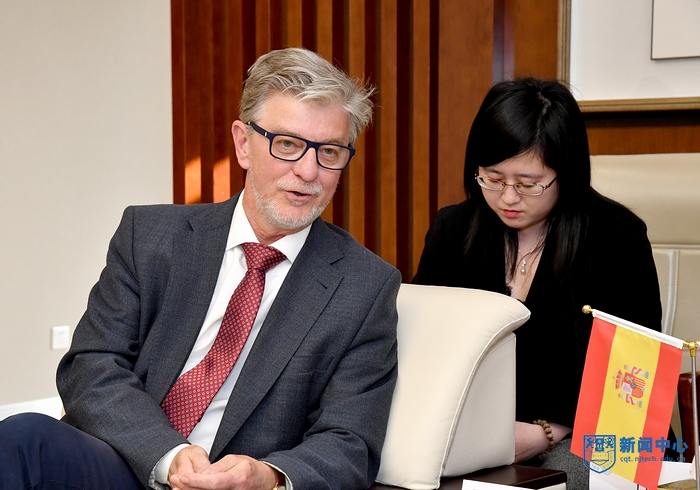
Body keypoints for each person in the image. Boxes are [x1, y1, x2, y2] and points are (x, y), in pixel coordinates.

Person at [0, 47, 401, 490]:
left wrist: (268, 476)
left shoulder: (365, 286)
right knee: (24, 437)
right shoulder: (149, 236)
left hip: (236, 486)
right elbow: (91, 366)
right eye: (287, 144)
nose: (309, 171)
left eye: (330, 151)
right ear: (243, 144)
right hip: (126, 463)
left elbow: (349, 441)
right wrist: (168, 455)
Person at [412, 78, 662, 488]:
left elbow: (635, 367)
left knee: (567, 479)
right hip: (476, 429)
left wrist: (549, 429)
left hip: (597, 430)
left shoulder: (616, 237)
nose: (508, 197)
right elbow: (423, 343)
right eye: (493, 178)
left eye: (529, 184)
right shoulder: (454, 229)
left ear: (567, 173)